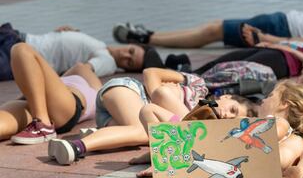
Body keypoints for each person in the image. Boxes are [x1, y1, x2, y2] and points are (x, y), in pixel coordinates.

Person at [47, 68, 258, 165]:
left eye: (231, 119)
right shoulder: (198, 86)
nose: (225, 115)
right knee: (146, 132)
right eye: (232, 109)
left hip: (122, 115)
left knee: (149, 133)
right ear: (227, 96)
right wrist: (185, 117)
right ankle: (78, 146)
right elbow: (152, 77)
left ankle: (102, 134)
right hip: (129, 91)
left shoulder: (208, 123)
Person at [133, 80, 303, 178]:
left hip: (210, 152)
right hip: (209, 147)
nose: (265, 99)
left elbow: (266, 136)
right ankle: (157, 153)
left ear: (285, 104)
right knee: (149, 110)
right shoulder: (275, 123)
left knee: (149, 110)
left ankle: (164, 161)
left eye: (270, 95)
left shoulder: (280, 123)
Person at [112, 10, 303, 48]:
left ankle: (147, 36)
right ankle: (147, 35)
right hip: (282, 22)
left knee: (213, 30)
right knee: (213, 31)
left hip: (283, 25)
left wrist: (273, 39)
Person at [0, 43, 100, 144]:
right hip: (37, 106)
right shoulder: (74, 78)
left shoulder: (94, 86)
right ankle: (41, 124)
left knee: (21, 49)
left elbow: (80, 66)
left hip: (65, 107)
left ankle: (43, 125)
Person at [0, 23, 165, 81]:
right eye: (131, 51)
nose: (125, 55)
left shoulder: (107, 62)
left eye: (129, 62)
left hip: (16, 56)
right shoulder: (102, 46)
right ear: (132, 43)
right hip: (19, 37)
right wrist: (70, 34)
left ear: (127, 69)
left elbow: (84, 68)